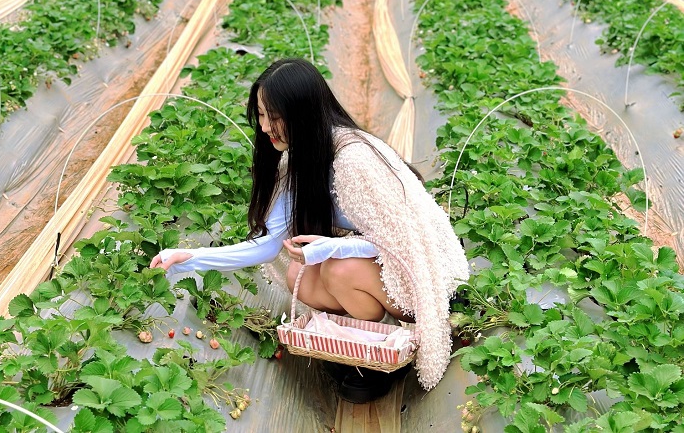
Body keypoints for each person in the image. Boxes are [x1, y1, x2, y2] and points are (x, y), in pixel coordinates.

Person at [151, 57, 469, 401]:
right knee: (298, 275)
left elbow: (398, 245)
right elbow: (266, 245)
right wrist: (190, 258)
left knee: (338, 270)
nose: (265, 126)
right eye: (260, 114)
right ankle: (361, 347)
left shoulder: (353, 158)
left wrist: (333, 247)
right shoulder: (298, 160)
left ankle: (389, 356)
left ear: (302, 114)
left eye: (275, 116)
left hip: (423, 279)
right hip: (381, 274)